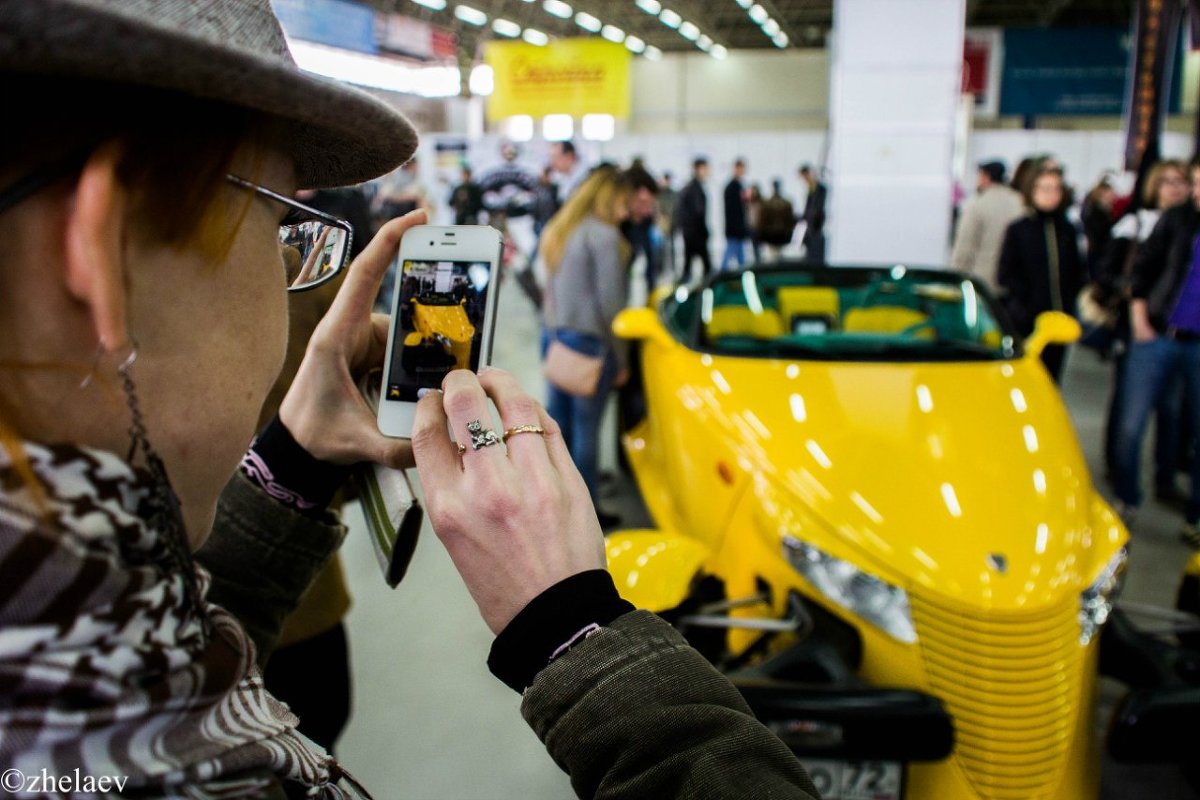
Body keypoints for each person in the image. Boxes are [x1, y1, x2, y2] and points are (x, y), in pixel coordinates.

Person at [0, 3, 822, 798]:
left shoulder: (69, 666)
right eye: (286, 226)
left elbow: (171, 666)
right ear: (104, 252)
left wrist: (294, 457)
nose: (294, 269)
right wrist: (576, 629)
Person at [538, 170, 634, 529]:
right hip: (590, 344)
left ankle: (559, 503)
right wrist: (622, 357)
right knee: (587, 432)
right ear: (609, 199)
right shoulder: (605, 237)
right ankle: (587, 514)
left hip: (556, 337)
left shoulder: (561, 231)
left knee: (559, 430)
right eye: (624, 204)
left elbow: (547, 291)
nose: (626, 214)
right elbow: (612, 307)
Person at [1113, 159, 1200, 547]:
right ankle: (1127, 499)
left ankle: (1195, 517)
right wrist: (1139, 320)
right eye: (1193, 183)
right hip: (1158, 335)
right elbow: (1142, 270)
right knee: (1131, 424)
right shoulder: (1176, 220)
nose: (1193, 192)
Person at [1096, 160, 1189, 498]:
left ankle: (1166, 479)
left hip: (1174, 331)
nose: (1175, 188)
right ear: (1153, 185)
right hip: (1133, 328)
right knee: (1126, 407)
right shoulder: (1135, 224)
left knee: (1172, 410)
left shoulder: (1186, 227)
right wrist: (1134, 295)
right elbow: (1104, 272)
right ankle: (1119, 477)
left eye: (1181, 181)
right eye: (1167, 181)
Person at [996, 164, 1086, 383]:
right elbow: (1005, 274)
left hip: (1061, 320)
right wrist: (1024, 308)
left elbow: (1078, 271)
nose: (1050, 195)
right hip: (1028, 322)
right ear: (1032, 191)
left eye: (1055, 189)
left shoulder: (1067, 229)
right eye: (1044, 189)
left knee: (1053, 378)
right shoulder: (1019, 229)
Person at [949, 160, 1025, 291]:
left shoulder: (976, 205)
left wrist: (954, 281)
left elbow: (964, 249)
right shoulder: (1020, 201)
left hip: (983, 284)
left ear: (985, 177)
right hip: (1015, 285)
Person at [677, 157, 712, 281]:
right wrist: (704, 231)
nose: (708, 171)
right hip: (695, 233)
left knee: (689, 265)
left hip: (691, 232)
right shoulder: (695, 189)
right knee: (706, 266)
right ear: (699, 169)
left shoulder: (691, 187)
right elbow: (698, 213)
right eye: (706, 168)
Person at [758, 179, 797, 262]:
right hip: (775, 236)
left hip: (777, 236)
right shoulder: (784, 203)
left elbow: (762, 222)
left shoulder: (768, 203)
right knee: (774, 258)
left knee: (775, 258)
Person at [721, 158, 749, 271]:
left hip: (738, 228)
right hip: (734, 229)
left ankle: (743, 275)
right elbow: (732, 211)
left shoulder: (739, 186)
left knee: (740, 257)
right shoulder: (732, 188)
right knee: (729, 256)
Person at [798, 163, 827, 263]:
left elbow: (818, 209)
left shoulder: (820, 190)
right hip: (810, 227)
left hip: (817, 227)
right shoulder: (811, 190)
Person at [549, 139, 590, 205]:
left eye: (555, 157)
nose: (552, 162)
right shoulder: (564, 177)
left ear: (569, 157)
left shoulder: (586, 177)